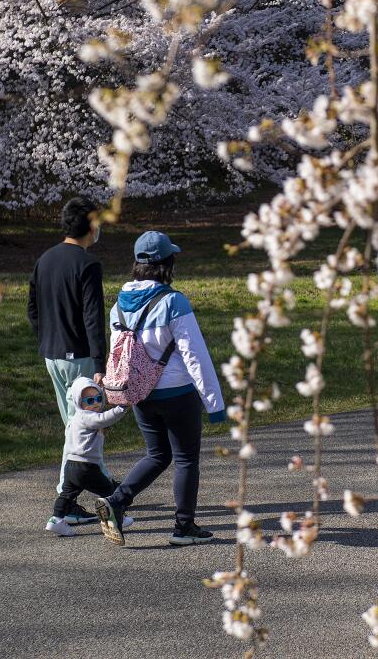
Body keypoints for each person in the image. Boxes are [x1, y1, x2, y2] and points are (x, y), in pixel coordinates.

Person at [95, 230, 226, 547]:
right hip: (177, 392)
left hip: (140, 392)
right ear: (167, 263)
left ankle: (117, 500)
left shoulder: (119, 305)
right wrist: (214, 404)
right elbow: (195, 355)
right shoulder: (173, 302)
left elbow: (117, 352)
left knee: (157, 454)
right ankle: (184, 527)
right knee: (185, 459)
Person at [28, 196, 108, 525]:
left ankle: (105, 488)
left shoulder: (45, 259)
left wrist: (46, 339)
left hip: (53, 355)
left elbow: (32, 309)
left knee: (74, 426)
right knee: (84, 429)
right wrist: (100, 363)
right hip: (81, 358)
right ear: (90, 225)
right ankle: (67, 500)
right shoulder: (87, 264)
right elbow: (93, 317)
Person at [45, 377, 136, 537]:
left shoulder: (74, 420)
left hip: (71, 465)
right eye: (89, 400)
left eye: (99, 398)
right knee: (109, 491)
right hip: (86, 467)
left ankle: (56, 519)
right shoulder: (86, 417)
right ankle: (115, 519)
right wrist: (121, 408)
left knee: (67, 494)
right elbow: (104, 419)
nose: (95, 403)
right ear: (79, 402)